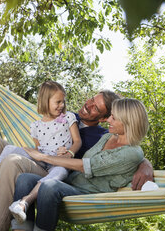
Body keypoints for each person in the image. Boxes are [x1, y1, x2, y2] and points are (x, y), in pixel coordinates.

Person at [0, 89, 152, 231]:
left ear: (104, 117)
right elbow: (45, 109)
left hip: (54, 170)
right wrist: (35, 149)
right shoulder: (66, 116)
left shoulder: (102, 134)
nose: (88, 105)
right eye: (92, 99)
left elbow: (125, 153)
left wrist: (145, 163)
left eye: (96, 108)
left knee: (13, 162)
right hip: (37, 156)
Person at [13, 98, 149, 231]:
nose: (108, 120)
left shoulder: (131, 153)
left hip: (88, 194)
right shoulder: (109, 137)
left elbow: (86, 166)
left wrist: (44, 157)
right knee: (24, 179)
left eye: (113, 117)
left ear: (128, 122)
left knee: (50, 187)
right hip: (71, 183)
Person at [0, 81, 82, 212]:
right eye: (58, 102)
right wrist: (31, 153)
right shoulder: (36, 126)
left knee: (60, 172)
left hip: (60, 163)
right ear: (45, 101)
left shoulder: (68, 117)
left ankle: (25, 202)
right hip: (42, 162)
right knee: (9, 149)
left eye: (63, 102)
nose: (62, 105)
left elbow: (77, 141)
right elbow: (38, 149)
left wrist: (69, 153)